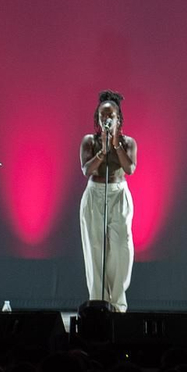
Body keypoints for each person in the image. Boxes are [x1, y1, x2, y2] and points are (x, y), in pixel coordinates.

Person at [79, 90, 137, 311]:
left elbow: (129, 168)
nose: (106, 119)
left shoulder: (128, 142)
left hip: (118, 194)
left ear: (118, 119)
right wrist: (102, 151)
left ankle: (117, 303)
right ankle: (98, 302)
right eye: (102, 116)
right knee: (95, 249)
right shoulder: (89, 141)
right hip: (95, 194)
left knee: (122, 248)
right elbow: (86, 169)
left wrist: (115, 145)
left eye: (110, 116)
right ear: (97, 118)